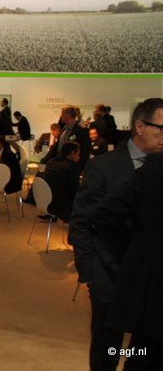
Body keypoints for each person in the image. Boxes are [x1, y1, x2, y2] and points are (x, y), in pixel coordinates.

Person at [69, 98, 163, 371]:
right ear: (140, 127)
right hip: (110, 273)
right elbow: (82, 221)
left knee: (144, 348)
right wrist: (89, 271)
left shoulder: (159, 168)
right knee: (107, 347)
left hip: (149, 280)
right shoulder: (103, 166)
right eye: (161, 129)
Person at [91, 153, 163, 370]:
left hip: (152, 299)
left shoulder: (157, 166)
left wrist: (135, 256)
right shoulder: (156, 166)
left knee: (143, 354)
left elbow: (106, 214)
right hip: (152, 301)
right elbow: (104, 214)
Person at [37, 141, 80, 222]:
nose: (79, 157)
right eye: (78, 154)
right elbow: (75, 189)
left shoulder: (52, 162)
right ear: (72, 153)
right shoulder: (71, 167)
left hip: (48, 200)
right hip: (63, 206)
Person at [42, 105, 91, 172]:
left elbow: (85, 152)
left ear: (67, 115)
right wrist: (44, 160)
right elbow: (56, 147)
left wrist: (79, 169)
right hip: (59, 166)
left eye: (62, 114)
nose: (60, 116)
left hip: (72, 169)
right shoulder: (64, 129)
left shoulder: (82, 130)